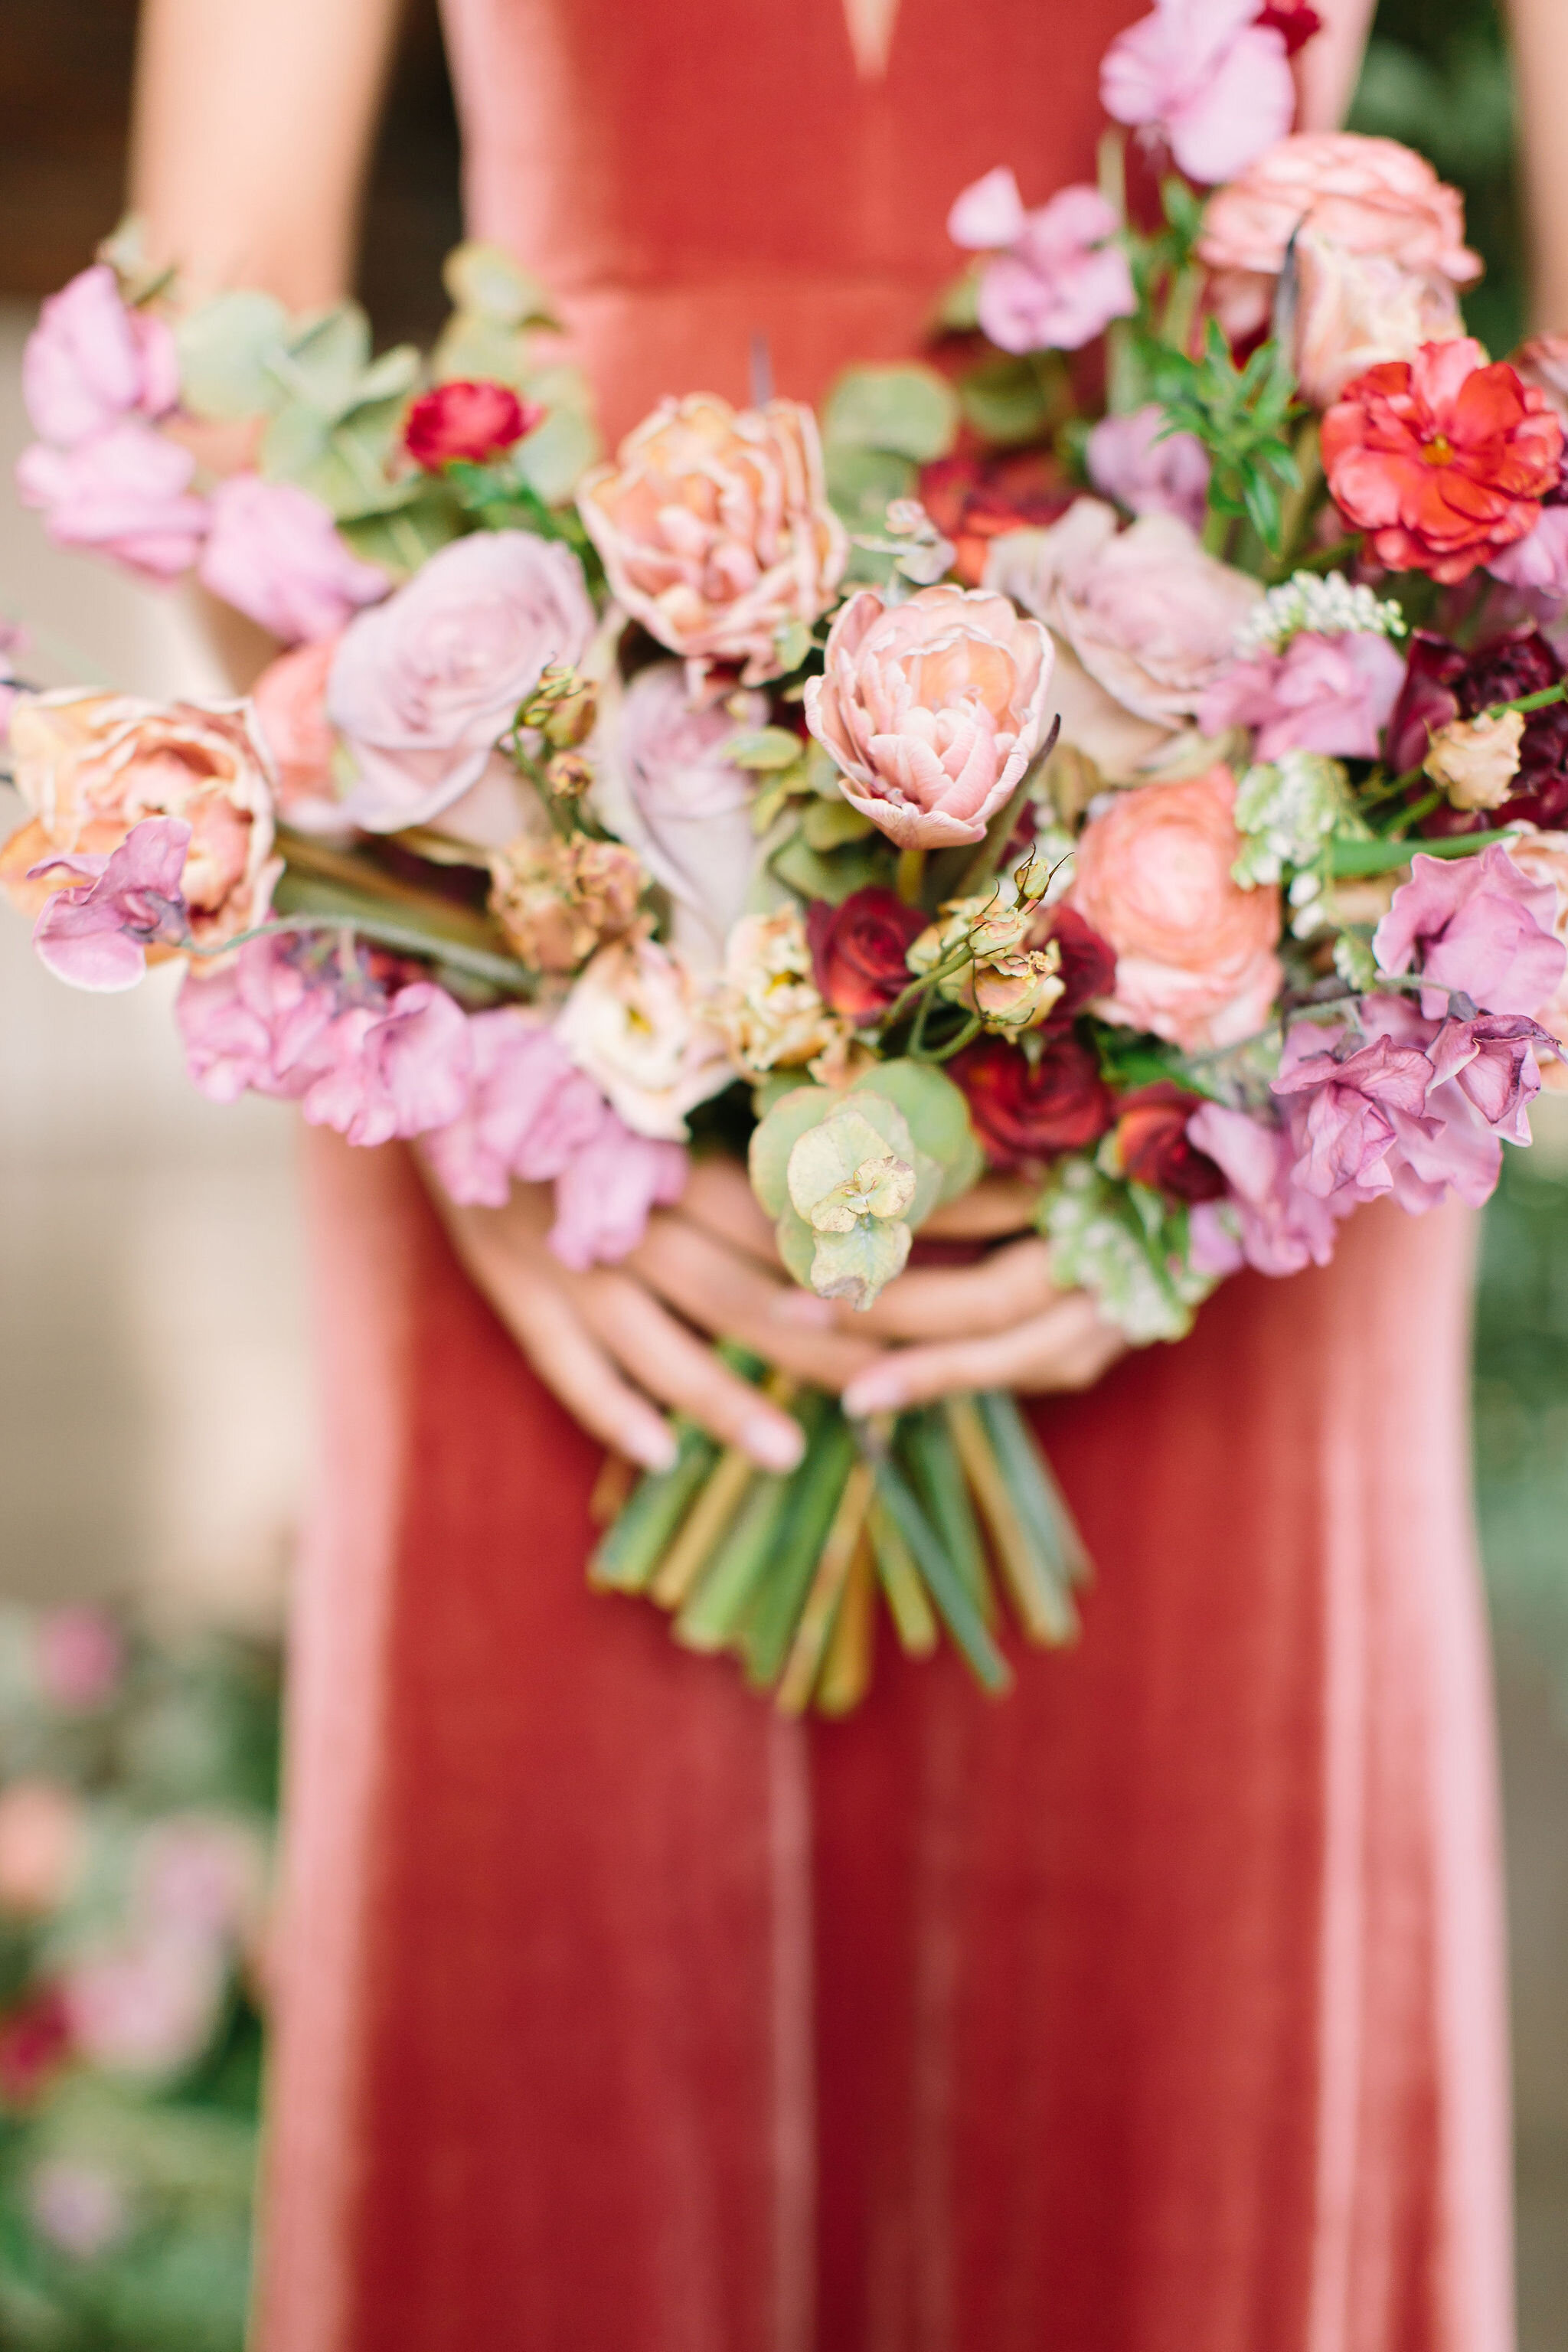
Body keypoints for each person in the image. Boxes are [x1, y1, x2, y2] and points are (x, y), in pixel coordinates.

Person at [123, 1, 1540, 2344]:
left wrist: (1269, 1043)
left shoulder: (1259, 1020)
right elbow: (213, 307)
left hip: (1242, 946)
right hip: (547, 892)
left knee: (1170, 2036)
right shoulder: (513, 957)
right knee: (562, 2043)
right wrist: (486, 978)